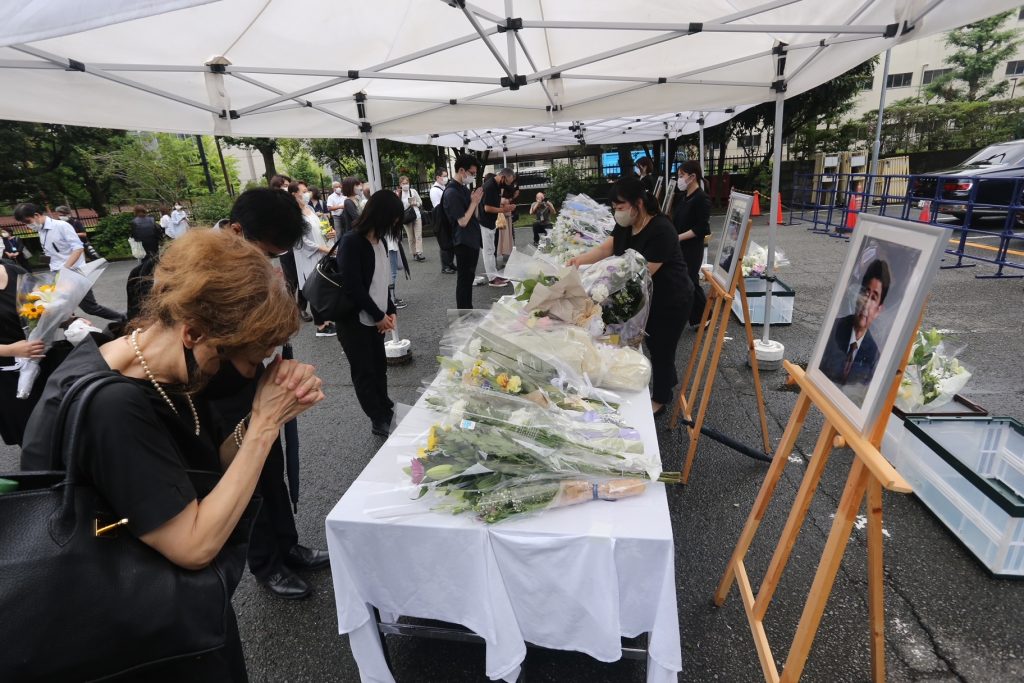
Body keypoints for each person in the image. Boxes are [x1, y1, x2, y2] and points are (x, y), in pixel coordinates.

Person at [20, 229, 324, 681]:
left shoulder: (156, 362)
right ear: (194, 332)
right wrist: (263, 426)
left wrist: (265, 413)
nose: (248, 373)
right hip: (138, 638)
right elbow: (194, 544)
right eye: (238, 361)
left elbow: (215, 469)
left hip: (163, 611)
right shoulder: (116, 407)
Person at [568, 178, 693, 415]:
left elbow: (639, 277)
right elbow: (607, 248)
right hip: (646, 298)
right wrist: (580, 261)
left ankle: (661, 399)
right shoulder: (627, 224)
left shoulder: (662, 230)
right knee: (653, 345)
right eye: (614, 208)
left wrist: (599, 291)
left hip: (670, 299)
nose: (618, 213)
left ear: (638, 203)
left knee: (661, 347)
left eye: (621, 207)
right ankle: (668, 379)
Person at [336, 190, 404, 436]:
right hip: (354, 320)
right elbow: (353, 287)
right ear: (381, 215)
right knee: (364, 371)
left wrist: (390, 311)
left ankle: (384, 405)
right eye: (393, 218)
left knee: (379, 366)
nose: (395, 223)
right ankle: (377, 419)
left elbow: (383, 282)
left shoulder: (381, 241)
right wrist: (378, 315)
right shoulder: (352, 241)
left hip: (376, 317)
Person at [13, 203, 125, 323]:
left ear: (36, 215)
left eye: (27, 221)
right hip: (57, 274)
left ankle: (124, 318)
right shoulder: (41, 230)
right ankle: (74, 334)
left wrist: (65, 269)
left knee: (90, 308)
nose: (28, 226)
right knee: (63, 309)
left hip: (74, 273)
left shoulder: (61, 226)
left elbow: (78, 248)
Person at [819, 259, 890, 399]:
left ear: (879, 310)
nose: (866, 302)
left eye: (874, 298)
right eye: (865, 293)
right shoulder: (834, 329)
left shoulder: (874, 353)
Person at [0, 259, 45, 445]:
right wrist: (11, 350)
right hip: (8, 375)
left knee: (54, 421)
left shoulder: (14, 270)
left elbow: (43, 303)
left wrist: (70, 320)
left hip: (40, 360)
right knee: (29, 432)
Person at [289, 181, 336, 337]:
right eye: (303, 191)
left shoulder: (309, 209)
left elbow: (320, 228)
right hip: (309, 256)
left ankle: (328, 321)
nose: (307, 194)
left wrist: (329, 234)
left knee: (323, 286)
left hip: (322, 252)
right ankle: (321, 325)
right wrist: (323, 248)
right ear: (294, 195)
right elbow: (300, 242)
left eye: (306, 191)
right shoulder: (294, 215)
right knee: (315, 286)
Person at [442, 155, 485, 309]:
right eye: (471, 173)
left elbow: (474, 216)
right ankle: (464, 312)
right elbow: (462, 221)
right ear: (461, 170)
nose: (472, 176)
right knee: (464, 280)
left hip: (471, 240)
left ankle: (468, 310)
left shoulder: (462, 189)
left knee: (469, 279)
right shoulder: (451, 192)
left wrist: (475, 203)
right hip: (463, 241)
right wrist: (474, 202)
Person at [672, 160, 711, 326]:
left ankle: (704, 317)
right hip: (681, 246)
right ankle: (697, 317)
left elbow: (701, 227)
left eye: (682, 176)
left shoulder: (701, 198)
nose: (679, 179)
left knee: (691, 281)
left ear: (693, 177)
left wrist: (678, 237)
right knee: (686, 281)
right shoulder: (684, 196)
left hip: (692, 248)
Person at [269, 174, 312, 323]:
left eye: (288, 185)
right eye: (283, 185)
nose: (286, 188)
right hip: (287, 248)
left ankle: (301, 307)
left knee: (303, 278)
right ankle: (289, 307)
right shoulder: (273, 207)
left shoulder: (294, 203)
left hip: (301, 247)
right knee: (291, 279)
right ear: (276, 188)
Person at [478, 168, 515, 287]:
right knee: (488, 251)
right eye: (508, 182)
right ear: (503, 177)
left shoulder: (497, 185)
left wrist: (505, 208)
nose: (508, 185)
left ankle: (494, 274)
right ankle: (492, 278)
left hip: (490, 221)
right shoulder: (490, 186)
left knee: (491, 250)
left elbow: (493, 203)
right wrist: (504, 209)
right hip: (485, 222)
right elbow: (487, 208)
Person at [429, 169, 456, 274]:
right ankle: (445, 266)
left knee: (451, 242)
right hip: (441, 219)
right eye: (444, 176)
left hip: (447, 218)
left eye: (446, 176)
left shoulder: (443, 188)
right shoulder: (435, 190)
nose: (446, 178)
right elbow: (438, 207)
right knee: (444, 243)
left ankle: (450, 263)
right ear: (437, 177)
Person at [398, 175, 425, 262]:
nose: (406, 185)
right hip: (406, 217)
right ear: (400, 184)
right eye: (404, 183)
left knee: (418, 235)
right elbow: (398, 208)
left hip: (416, 215)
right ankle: (414, 253)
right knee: (411, 237)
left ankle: (419, 253)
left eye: (407, 183)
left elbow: (420, 202)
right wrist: (407, 204)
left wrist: (415, 203)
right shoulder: (399, 194)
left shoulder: (413, 191)